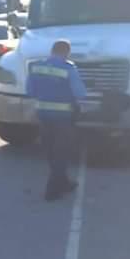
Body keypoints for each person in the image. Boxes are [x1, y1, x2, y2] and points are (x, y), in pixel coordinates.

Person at [26, 39, 86, 200]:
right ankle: (52, 190)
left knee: (50, 150)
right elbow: (80, 93)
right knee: (61, 152)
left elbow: (30, 91)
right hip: (63, 117)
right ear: (66, 52)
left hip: (43, 114)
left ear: (52, 50)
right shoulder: (69, 68)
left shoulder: (36, 67)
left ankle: (64, 182)